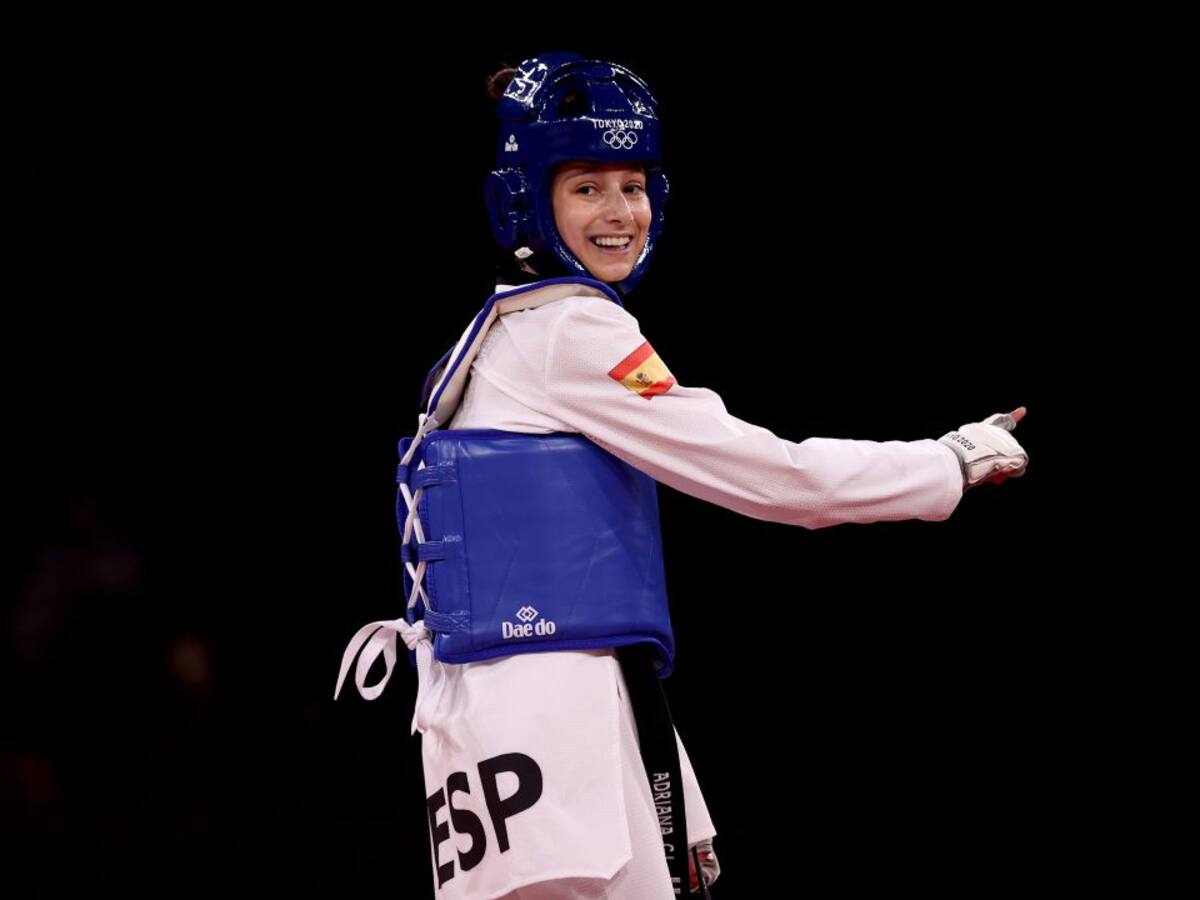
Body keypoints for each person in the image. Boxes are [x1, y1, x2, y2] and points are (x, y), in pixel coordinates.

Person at [335, 52, 1029, 900]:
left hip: (510, 706)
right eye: (587, 187)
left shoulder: (493, 333)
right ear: (527, 200)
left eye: (633, 185)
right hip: (549, 715)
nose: (619, 211)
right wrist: (945, 463)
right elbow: (777, 479)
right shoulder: (569, 331)